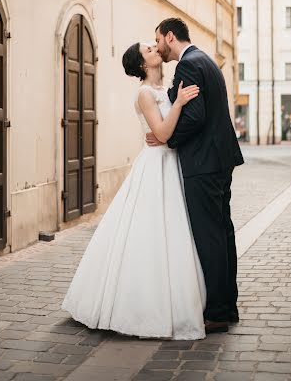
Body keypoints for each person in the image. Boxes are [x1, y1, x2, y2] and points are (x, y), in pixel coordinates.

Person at [62, 42, 206, 340]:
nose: (156, 49)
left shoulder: (165, 87)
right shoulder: (144, 93)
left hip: (171, 164)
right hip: (155, 166)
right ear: (143, 64)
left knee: (174, 232)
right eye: (150, 49)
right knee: (150, 233)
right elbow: (163, 133)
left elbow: (166, 134)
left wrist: (173, 106)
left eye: (154, 45)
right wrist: (178, 103)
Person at [149, 18, 244, 334]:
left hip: (203, 163)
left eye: (158, 39)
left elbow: (195, 117)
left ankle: (217, 312)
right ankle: (227, 306)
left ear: (170, 36)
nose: (158, 46)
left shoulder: (187, 66)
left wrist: (168, 139)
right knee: (223, 231)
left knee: (211, 236)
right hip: (220, 159)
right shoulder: (205, 60)